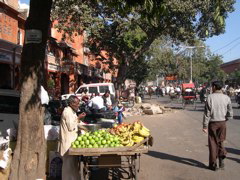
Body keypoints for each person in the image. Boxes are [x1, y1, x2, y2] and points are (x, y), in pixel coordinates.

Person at [202, 81, 233, 171]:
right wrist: (226, 119)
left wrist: (204, 126)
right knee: (221, 141)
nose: (211, 88)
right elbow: (230, 112)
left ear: (214, 87)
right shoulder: (226, 97)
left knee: (212, 143)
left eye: (212, 86)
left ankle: (213, 165)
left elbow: (207, 113)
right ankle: (221, 162)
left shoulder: (210, 97)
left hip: (213, 123)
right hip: (222, 123)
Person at [58, 95, 86, 180]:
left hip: (72, 143)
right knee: (68, 167)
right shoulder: (67, 112)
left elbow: (77, 123)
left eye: (79, 103)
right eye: (77, 104)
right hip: (67, 144)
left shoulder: (72, 111)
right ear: (71, 103)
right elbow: (71, 126)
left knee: (73, 167)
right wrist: (78, 118)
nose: (78, 105)